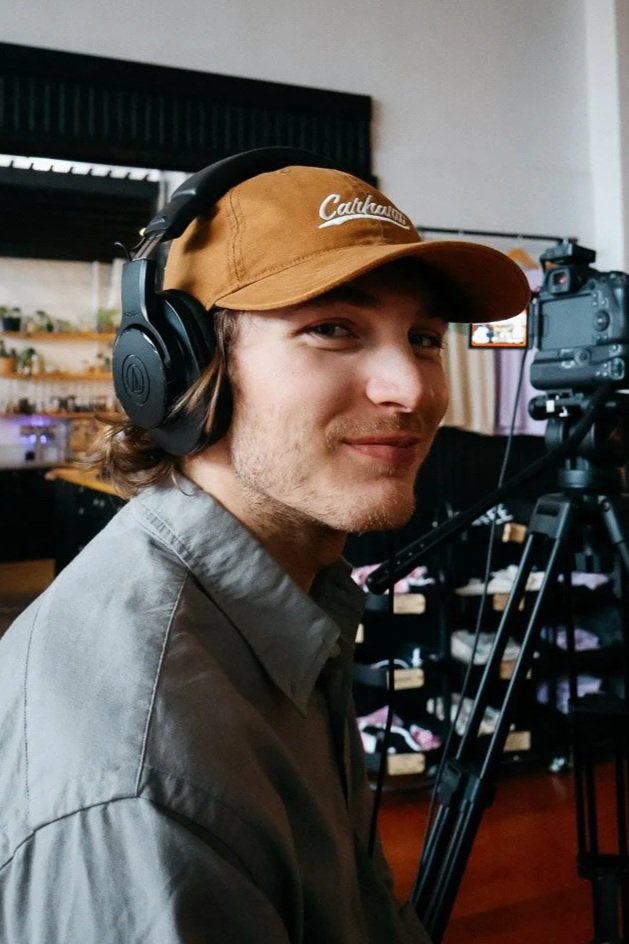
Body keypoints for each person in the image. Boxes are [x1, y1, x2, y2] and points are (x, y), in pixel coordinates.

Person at [0, 156, 529, 943]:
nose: (411, 389)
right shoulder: (145, 780)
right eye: (332, 329)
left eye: (421, 338)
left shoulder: (286, 604)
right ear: (183, 370)